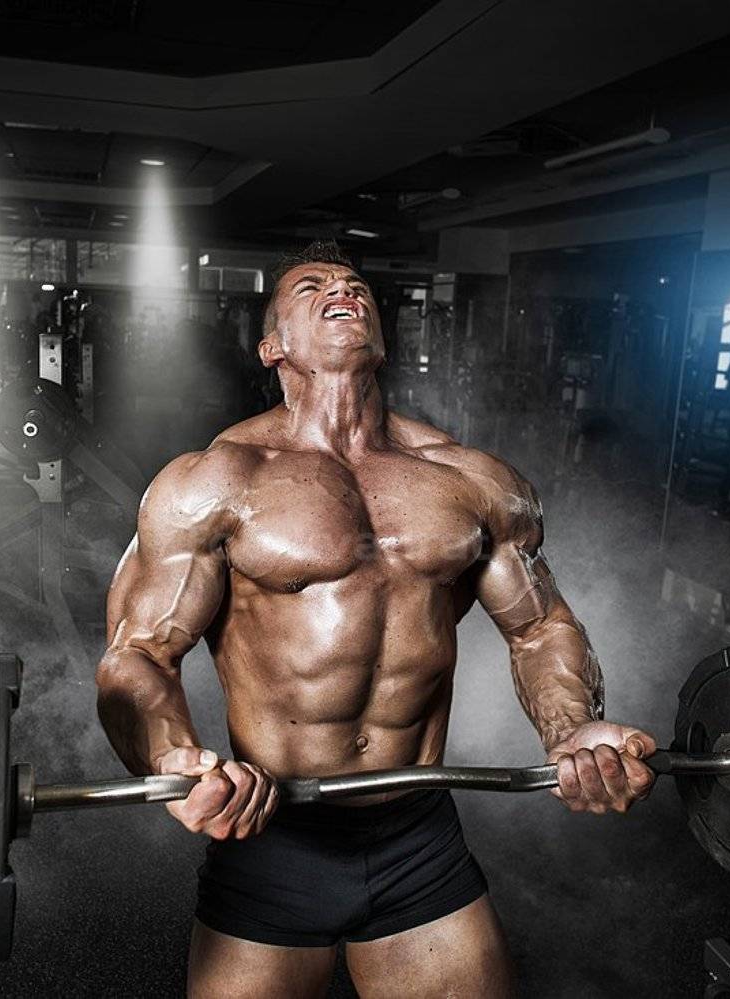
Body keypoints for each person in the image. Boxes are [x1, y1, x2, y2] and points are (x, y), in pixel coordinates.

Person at [95, 241, 656, 997]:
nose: (343, 289)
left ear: (382, 338)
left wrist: (571, 729)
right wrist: (172, 763)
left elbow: (540, 627)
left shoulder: (469, 478)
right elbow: (136, 655)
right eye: (311, 285)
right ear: (272, 346)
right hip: (273, 834)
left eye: (355, 283)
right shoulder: (215, 480)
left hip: (418, 836)